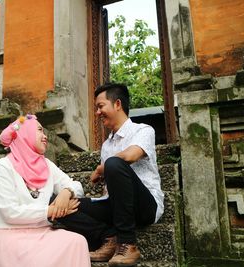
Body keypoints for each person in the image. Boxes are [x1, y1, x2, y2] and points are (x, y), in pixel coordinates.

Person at [58, 83, 164, 266]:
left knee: (114, 163)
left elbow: (130, 156)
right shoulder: (107, 146)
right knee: (59, 206)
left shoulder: (143, 130)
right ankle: (108, 237)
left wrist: (101, 169)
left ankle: (127, 244)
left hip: (145, 205)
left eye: (100, 106)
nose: (97, 112)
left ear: (117, 104)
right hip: (115, 206)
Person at [0, 114, 91, 267]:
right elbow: (9, 212)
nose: (45, 136)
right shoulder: (3, 166)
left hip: (41, 231)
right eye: (39, 130)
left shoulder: (46, 164)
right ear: (24, 134)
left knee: (77, 242)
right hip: (9, 234)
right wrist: (50, 211)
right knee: (38, 260)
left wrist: (67, 192)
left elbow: (76, 185)